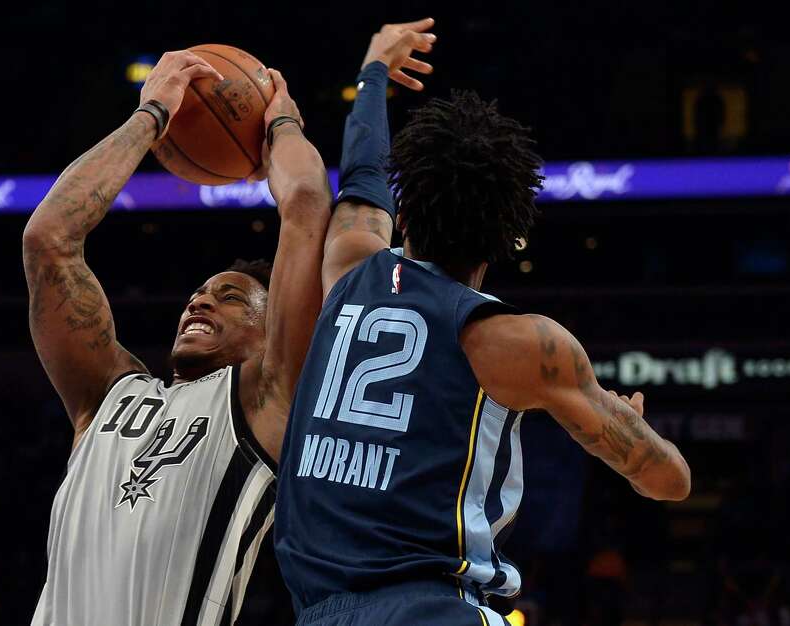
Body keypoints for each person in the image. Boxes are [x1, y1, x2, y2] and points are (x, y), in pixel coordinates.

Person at [274, 18, 692, 626]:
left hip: (315, 611)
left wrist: (373, 71)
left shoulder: (347, 266)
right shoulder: (515, 342)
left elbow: (364, 173)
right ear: (506, 238)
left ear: (406, 206)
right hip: (433, 611)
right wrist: (625, 423)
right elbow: (669, 481)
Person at [22, 50, 332, 626]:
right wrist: (151, 116)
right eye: (199, 292)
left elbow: (307, 204)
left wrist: (282, 127)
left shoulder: (268, 398)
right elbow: (49, 239)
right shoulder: (107, 395)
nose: (201, 299)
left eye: (231, 296)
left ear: (272, 331)